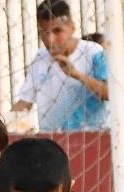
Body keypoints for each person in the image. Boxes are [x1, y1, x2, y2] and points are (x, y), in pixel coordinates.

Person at [11, 1, 109, 132]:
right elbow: (24, 102)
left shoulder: (94, 52)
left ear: (72, 27)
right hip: (52, 141)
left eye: (57, 31)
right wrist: (4, 123)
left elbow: (110, 93)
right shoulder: (40, 59)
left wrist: (76, 75)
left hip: (93, 137)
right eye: (45, 33)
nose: (50, 40)